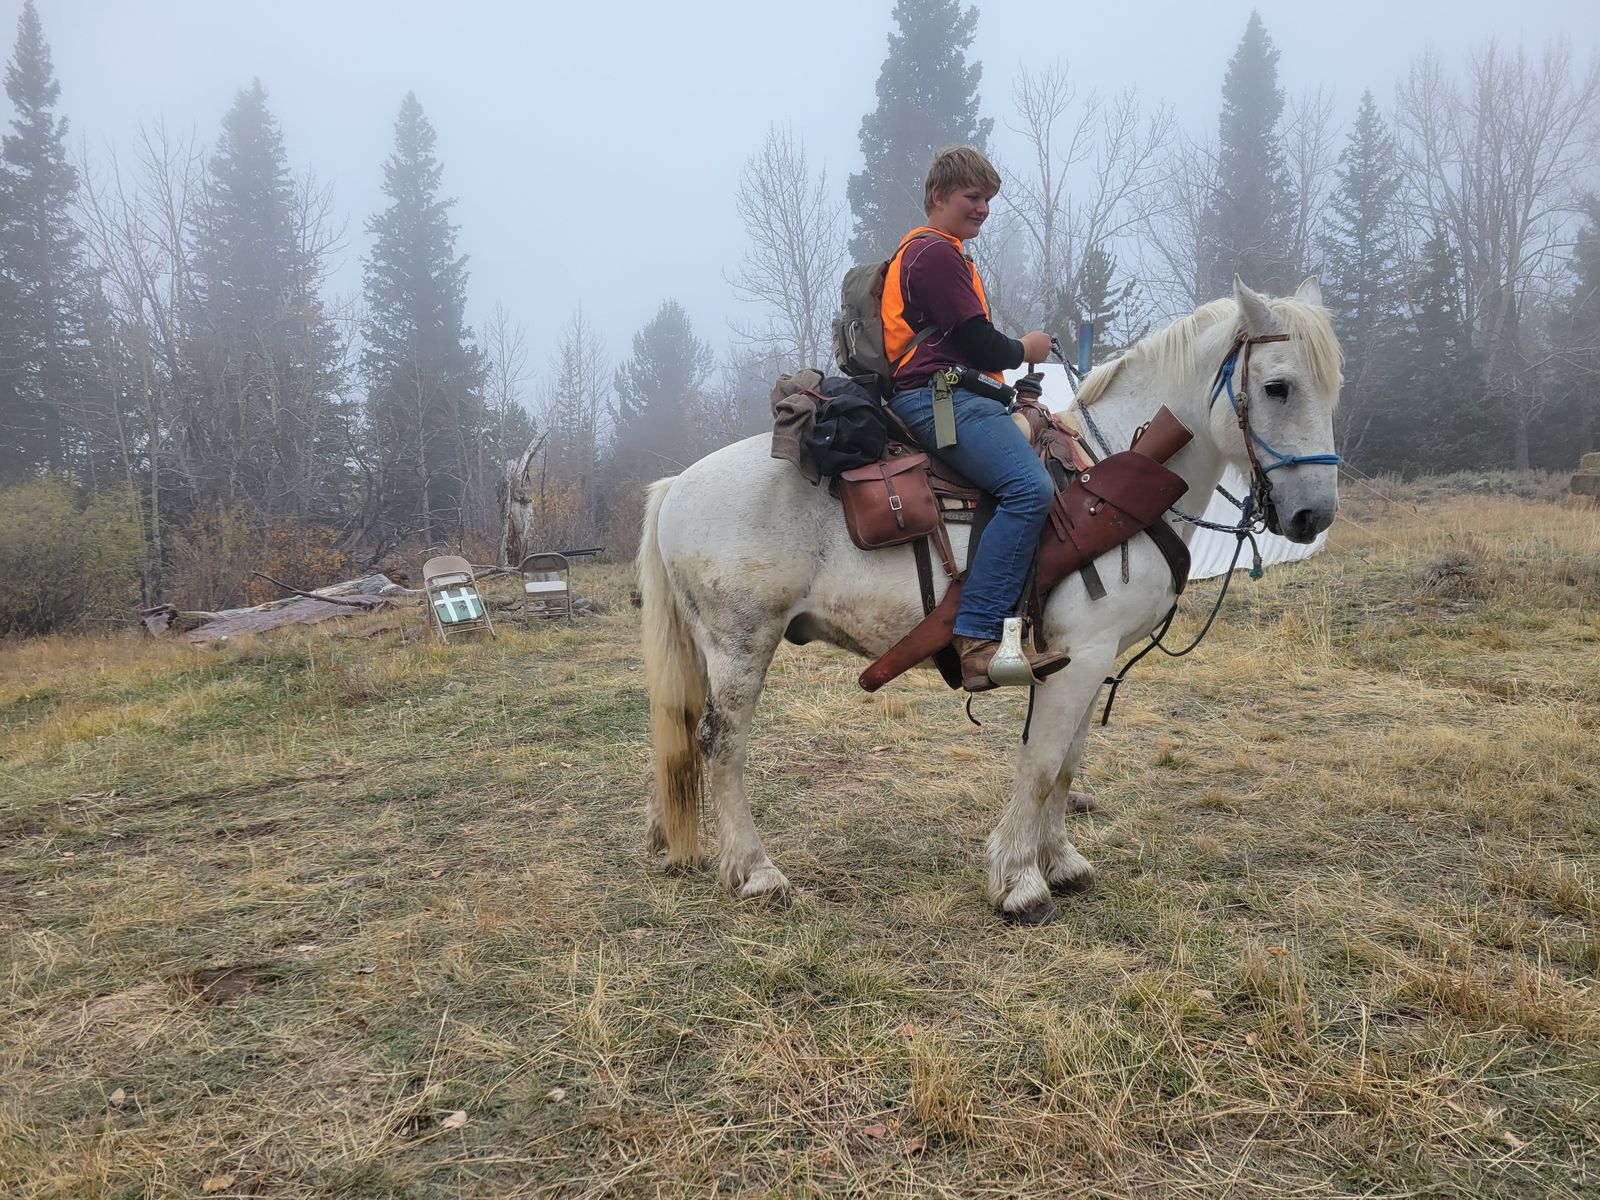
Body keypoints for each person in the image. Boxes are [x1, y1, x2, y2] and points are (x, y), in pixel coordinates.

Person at [880, 146, 1068, 692]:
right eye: (973, 196)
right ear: (939, 196)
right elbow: (977, 341)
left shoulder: (935, 253)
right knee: (1029, 488)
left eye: (988, 199)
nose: (983, 208)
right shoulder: (935, 253)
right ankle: (981, 641)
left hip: (951, 394)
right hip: (939, 398)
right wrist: (1026, 348)